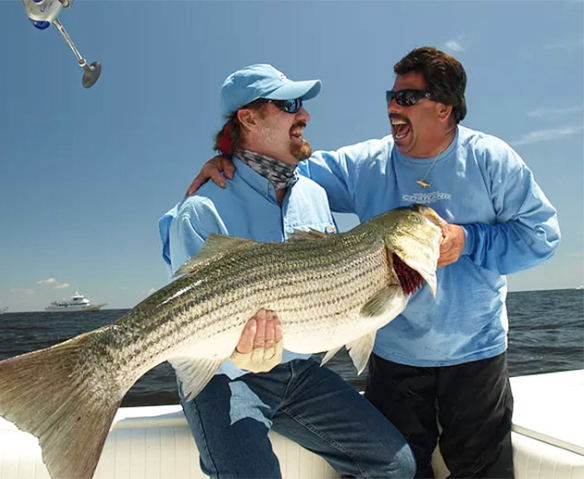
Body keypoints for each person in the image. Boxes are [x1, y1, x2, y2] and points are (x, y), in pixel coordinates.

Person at [186, 48, 561, 478]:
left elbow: (542, 237)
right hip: (393, 357)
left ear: (444, 108)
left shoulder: (492, 159)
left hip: (476, 352)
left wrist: (469, 240)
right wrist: (227, 157)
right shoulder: (364, 164)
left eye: (406, 98)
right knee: (399, 469)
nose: (392, 107)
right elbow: (282, 161)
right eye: (390, 96)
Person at [158, 64, 416, 479]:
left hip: (300, 373)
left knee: (395, 465)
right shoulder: (200, 210)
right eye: (291, 104)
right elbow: (188, 323)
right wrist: (234, 353)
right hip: (224, 379)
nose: (306, 115)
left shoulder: (314, 194)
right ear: (249, 118)